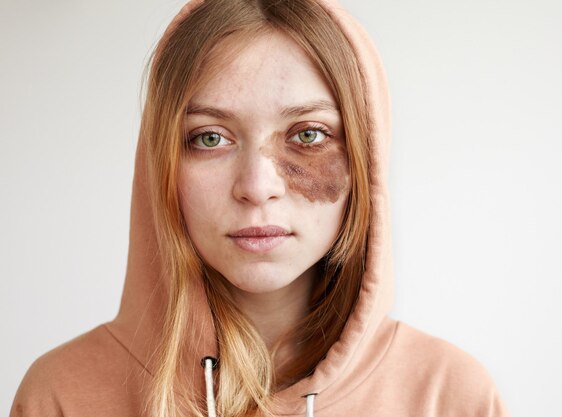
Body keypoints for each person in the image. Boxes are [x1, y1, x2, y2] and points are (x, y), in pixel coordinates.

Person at [10, 0, 509, 416]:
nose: (256, 187)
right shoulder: (62, 395)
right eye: (210, 138)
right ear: (161, 162)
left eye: (308, 135)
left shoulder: (449, 394)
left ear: (364, 159)